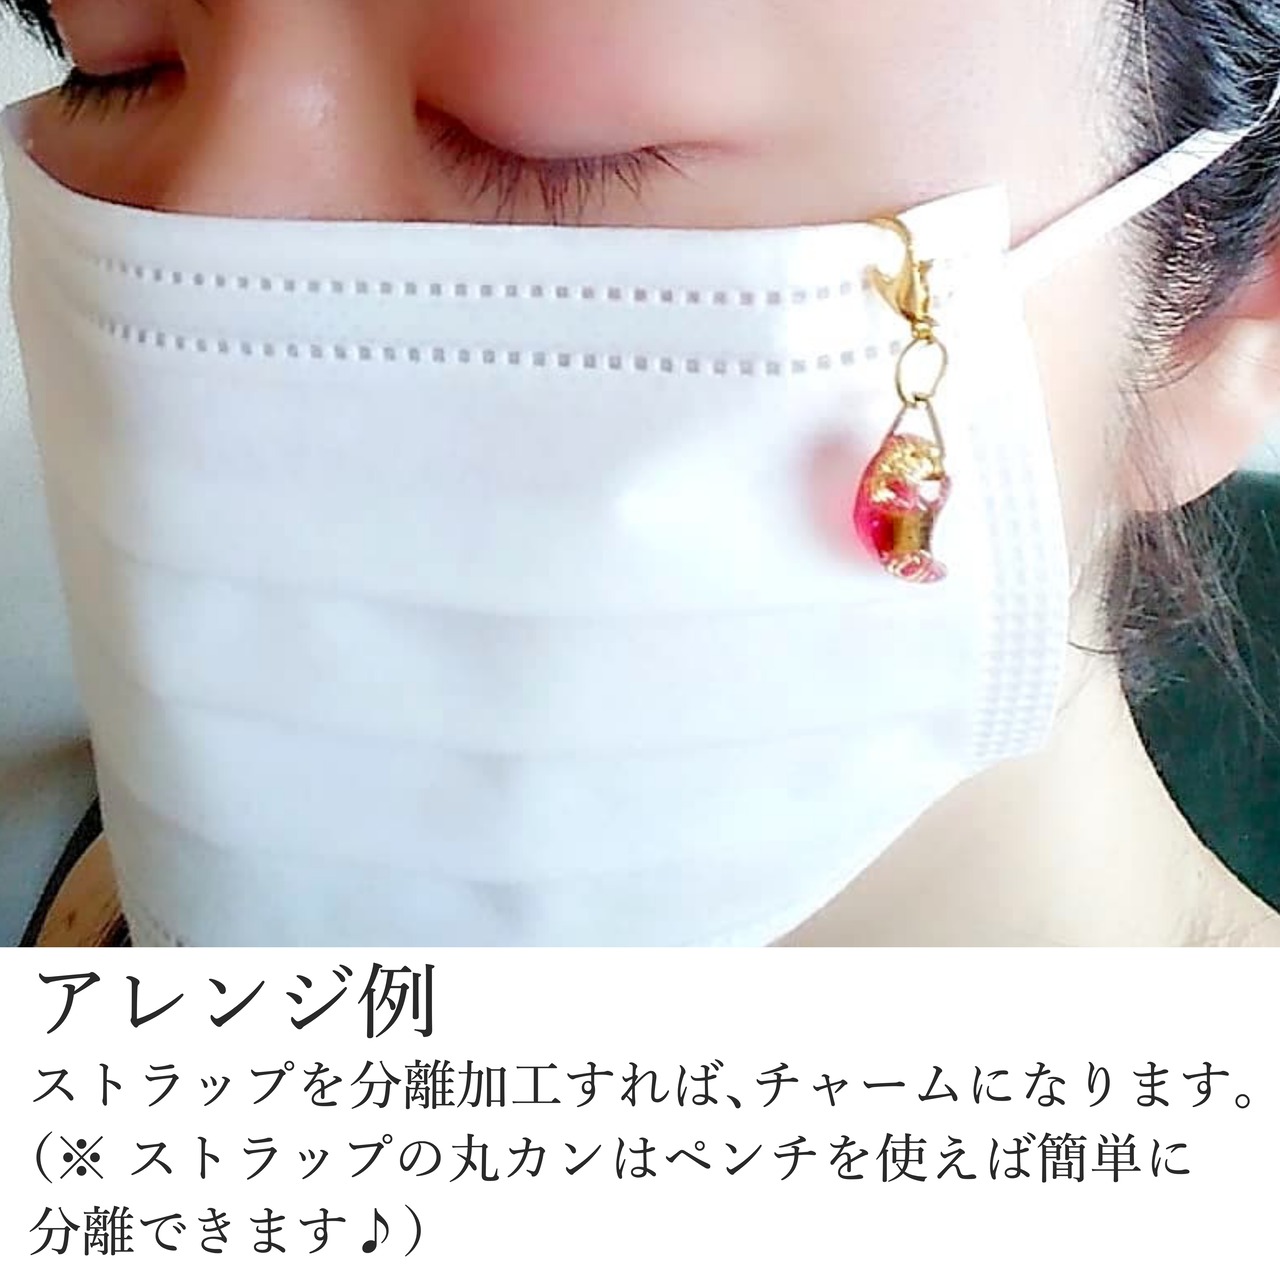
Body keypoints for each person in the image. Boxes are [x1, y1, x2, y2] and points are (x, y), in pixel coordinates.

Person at [3, 0, 1280, 947]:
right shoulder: (94, 902)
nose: (194, 239)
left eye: (553, 137)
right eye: (119, 63)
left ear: (1228, 310)